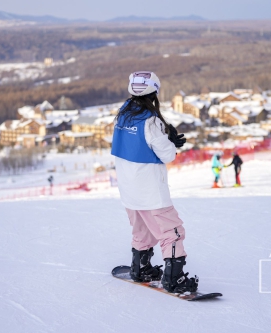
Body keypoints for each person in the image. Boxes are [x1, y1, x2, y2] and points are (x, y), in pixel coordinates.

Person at [111, 71, 198, 293]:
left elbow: (138, 143)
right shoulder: (151, 120)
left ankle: (141, 268)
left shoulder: (123, 115)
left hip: (129, 190)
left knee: (142, 230)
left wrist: (165, 138)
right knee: (172, 231)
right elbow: (167, 155)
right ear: (154, 91)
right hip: (150, 190)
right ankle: (174, 279)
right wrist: (169, 142)